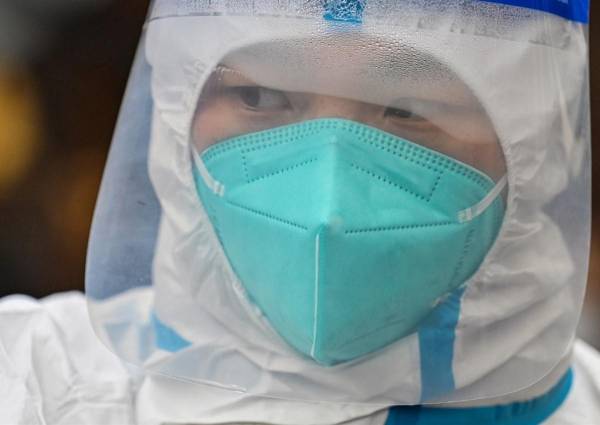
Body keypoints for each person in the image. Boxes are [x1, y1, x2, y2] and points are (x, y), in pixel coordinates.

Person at [1, 0, 599, 423]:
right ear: (174, 111)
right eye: (259, 96)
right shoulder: (34, 379)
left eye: (409, 111)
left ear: (536, 145)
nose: (326, 209)